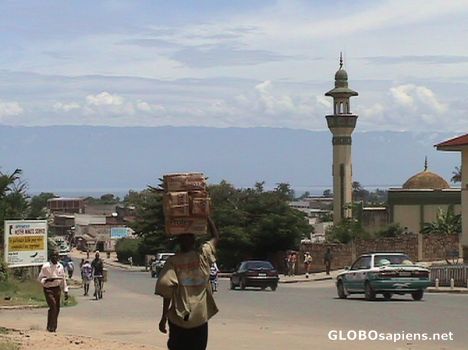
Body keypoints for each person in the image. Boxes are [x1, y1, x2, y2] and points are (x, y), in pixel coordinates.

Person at [155, 217, 219, 350]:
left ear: (179, 242)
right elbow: (216, 237)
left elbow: (167, 290)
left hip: (180, 319)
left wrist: (163, 318)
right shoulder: (203, 256)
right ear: (194, 241)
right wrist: (207, 217)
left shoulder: (173, 262)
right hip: (200, 316)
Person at [38, 250, 69, 332]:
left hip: (57, 288)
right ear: (50, 257)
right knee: (53, 306)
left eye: (57, 255)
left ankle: (53, 327)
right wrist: (46, 280)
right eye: (53, 255)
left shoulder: (60, 266)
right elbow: (40, 278)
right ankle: (49, 326)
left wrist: (65, 290)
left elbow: (63, 279)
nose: (55, 257)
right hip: (48, 289)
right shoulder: (45, 267)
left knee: (57, 308)